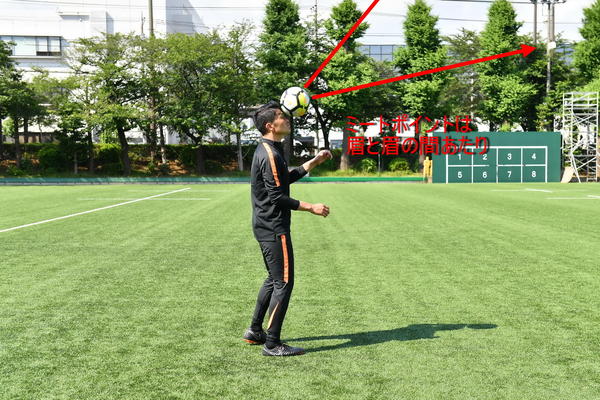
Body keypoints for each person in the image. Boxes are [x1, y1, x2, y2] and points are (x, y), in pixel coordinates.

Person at [243, 100, 332, 356]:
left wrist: (313, 162)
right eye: (282, 116)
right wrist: (310, 206)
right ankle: (272, 343)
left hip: (265, 225)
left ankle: (255, 331)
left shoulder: (270, 149)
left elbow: (283, 181)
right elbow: (277, 197)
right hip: (273, 227)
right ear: (270, 126)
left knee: (274, 280)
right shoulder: (270, 153)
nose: (287, 119)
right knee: (283, 282)